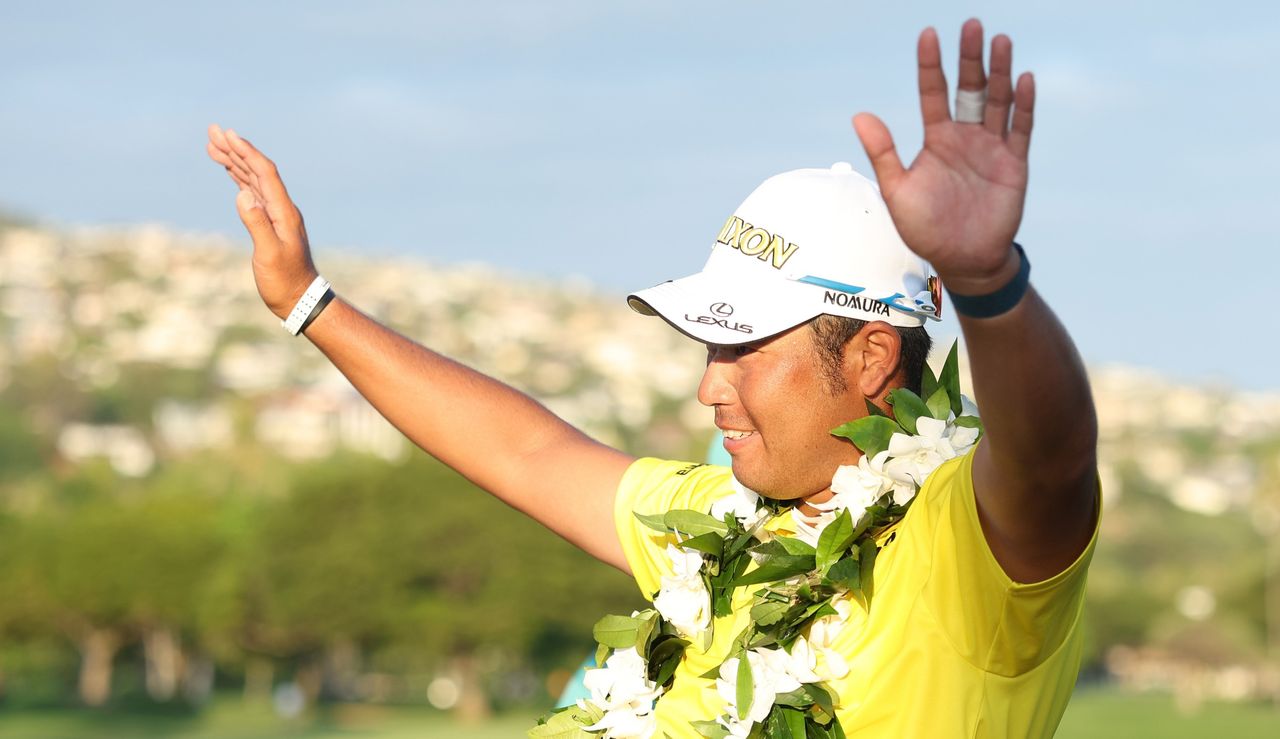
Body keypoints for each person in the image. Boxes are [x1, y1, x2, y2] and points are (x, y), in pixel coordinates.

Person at [207, 18, 1098, 738]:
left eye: (742, 348)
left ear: (869, 358)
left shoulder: (961, 543)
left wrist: (989, 285)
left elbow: (1050, 464)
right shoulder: (723, 517)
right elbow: (526, 452)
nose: (710, 389)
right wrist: (309, 304)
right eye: (709, 350)